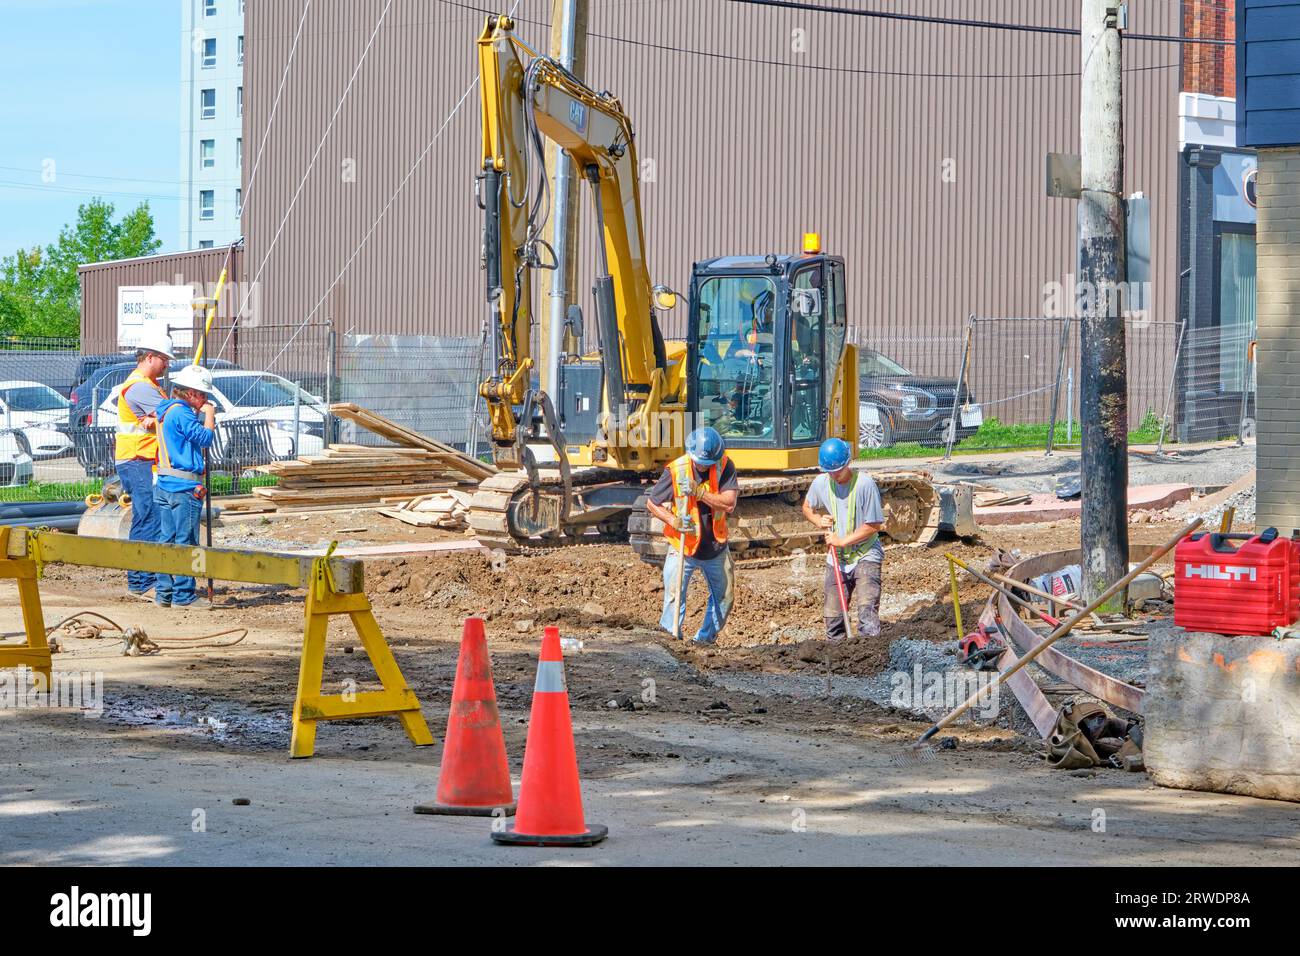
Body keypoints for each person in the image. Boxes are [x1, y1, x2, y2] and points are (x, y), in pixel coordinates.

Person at [645, 426, 739, 645]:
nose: (703, 467)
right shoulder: (676, 470)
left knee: (724, 599)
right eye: (700, 462)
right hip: (683, 546)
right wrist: (673, 521)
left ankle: (703, 643)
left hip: (715, 546)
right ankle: (671, 643)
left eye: (708, 463)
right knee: (673, 597)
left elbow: (729, 503)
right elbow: (652, 503)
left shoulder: (725, 466)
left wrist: (700, 492)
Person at [802, 437, 886, 642]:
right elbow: (806, 507)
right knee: (833, 616)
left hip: (865, 552)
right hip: (837, 558)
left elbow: (874, 525)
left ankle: (870, 652)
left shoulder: (865, 485)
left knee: (866, 609)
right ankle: (838, 656)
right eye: (829, 471)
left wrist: (842, 541)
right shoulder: (821, 483)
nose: (833, 475)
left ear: (848, 464)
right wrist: (818, 521)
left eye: (837, 471)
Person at [112, 332, 173, 600]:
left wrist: (155, 417)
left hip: (142, 459)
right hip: (137, 459)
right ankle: (141, 582)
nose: (167, 364)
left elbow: (160, 414)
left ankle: (145, 579)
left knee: (150, 516)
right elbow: (173, 413)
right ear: (150, 357)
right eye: (164, 359)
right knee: (147, 517)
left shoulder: (149, 384)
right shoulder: (140, 386)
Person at [152, 364, 217, 610]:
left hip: (166, 484)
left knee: (166, 540)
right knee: (186, 541)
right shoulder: (182, 413)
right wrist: (209, 415)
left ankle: (164, 592)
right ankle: (183, 595)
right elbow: (205, 439)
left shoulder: (166, 410)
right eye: (203, 395)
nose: (205, 400)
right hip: (183, 487)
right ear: (190, 392)